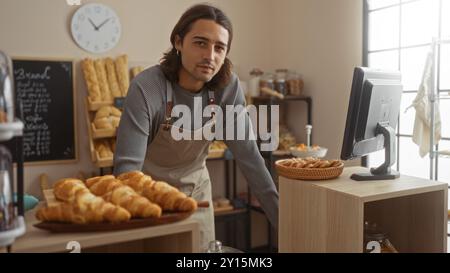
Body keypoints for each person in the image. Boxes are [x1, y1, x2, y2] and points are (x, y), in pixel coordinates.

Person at [114, 3, 278, 252]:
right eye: (201, 43)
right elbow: (127, 171)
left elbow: (250, 159)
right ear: (178, 42)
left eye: (219, 48)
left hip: (196, 195)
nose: (210, 56)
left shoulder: (227, 89)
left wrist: (284, 222)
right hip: (148, 200)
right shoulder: (147, 88)